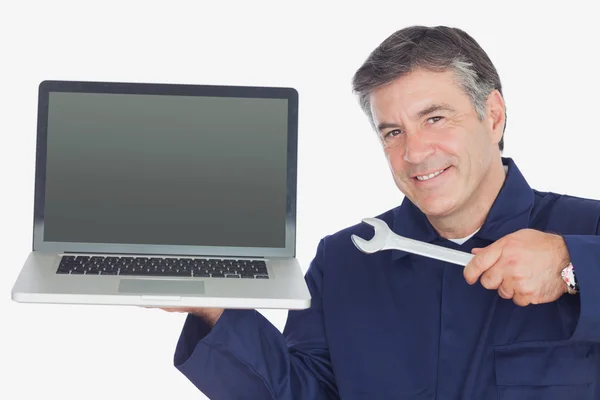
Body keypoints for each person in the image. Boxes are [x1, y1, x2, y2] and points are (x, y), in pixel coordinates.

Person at [164, 26, 600, 399]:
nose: (414, 152)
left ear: (494, 117)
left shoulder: (588, 229)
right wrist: (214, 306)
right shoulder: (342, 262)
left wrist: (573, 267)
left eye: (435, 119)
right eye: (393, 132)